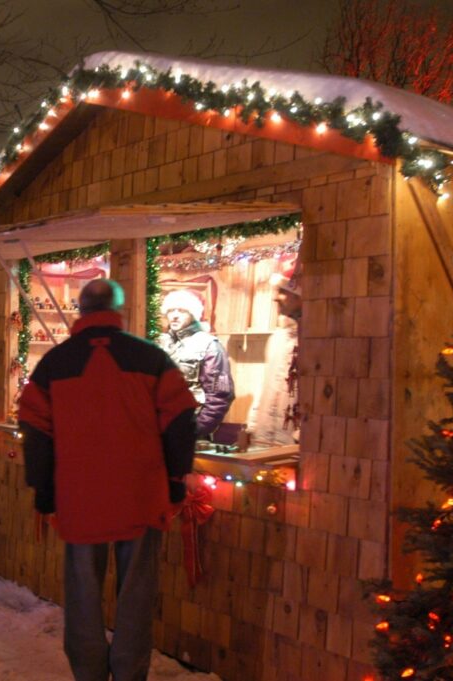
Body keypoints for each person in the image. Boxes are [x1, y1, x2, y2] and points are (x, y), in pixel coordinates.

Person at [18, 279, 199, 681]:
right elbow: (182, 418)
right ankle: (130, 673)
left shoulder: (55, 363)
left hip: (80, 499)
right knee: (136, 595)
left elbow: (34, 427)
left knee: (83, 594)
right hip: (141, 495)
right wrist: (174, 478)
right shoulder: (151, 358)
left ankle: (89, 673)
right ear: (120, 309)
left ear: (81, 310)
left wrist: (43, 489)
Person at [157, 289, 234, 440]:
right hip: (158, 427)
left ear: (193, 314)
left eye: (182, 310)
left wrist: (197, 430)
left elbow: (220, 395)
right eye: (171, 310)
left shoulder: (209, 345)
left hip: (190, 425)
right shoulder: (159, 342)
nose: (175, 315)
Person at [246, 263, 301, 447]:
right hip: (264, 436)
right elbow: (264, 385)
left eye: (284, 291)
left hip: (293, 441)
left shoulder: (316, 343)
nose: (276, 298)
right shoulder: (278, 338)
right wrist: (252, 425)